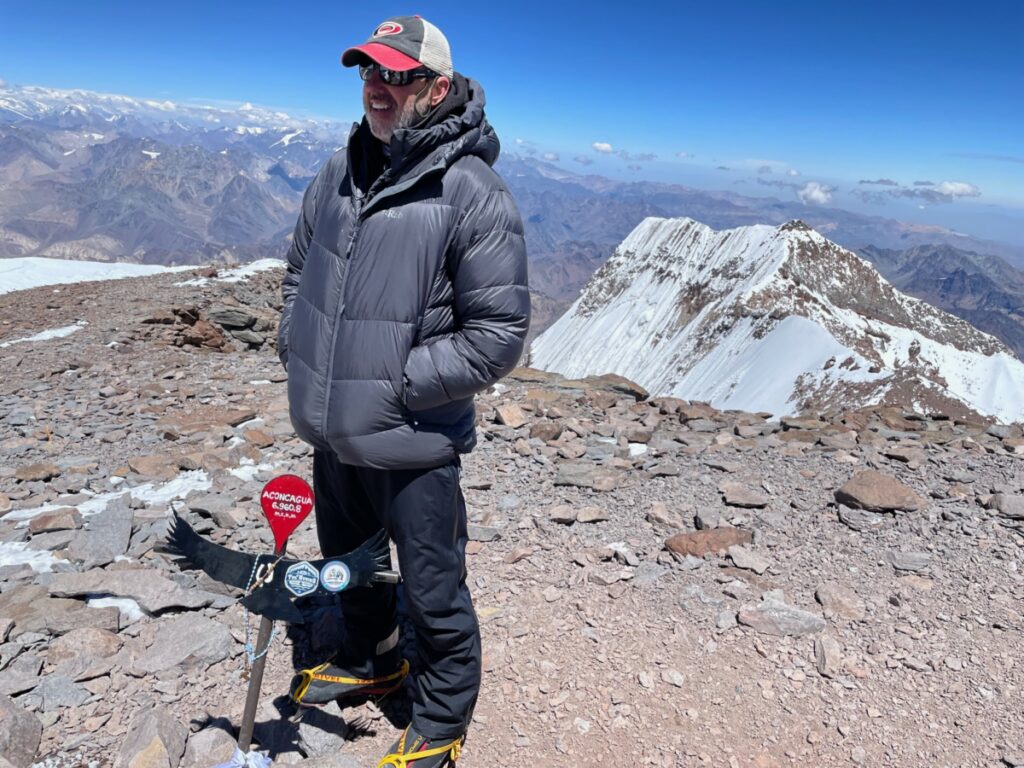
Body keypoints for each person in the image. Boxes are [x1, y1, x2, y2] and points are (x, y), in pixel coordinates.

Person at [277, 14, 529, 768]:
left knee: (432, 588)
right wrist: (301, 351)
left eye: (397, 75)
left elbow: (497, 335)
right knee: (348, 563)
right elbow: (298, 270)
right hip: (333, 431)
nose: (378, 89)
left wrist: (388, 386)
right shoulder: (341, 170)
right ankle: (370, 658)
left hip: (412, 439)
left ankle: (442, 721)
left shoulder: (473, 193)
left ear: (438, 89)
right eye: (369, 73)